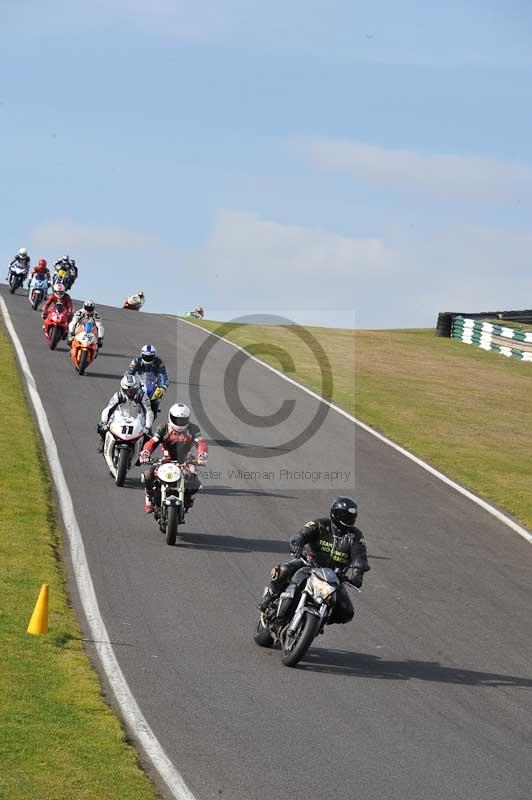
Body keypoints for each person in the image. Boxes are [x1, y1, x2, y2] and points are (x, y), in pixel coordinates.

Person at [258, 497, 370, 625]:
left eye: (351, 516)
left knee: (346, 612)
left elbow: (360, 558)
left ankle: (319, 621)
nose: (348, 519)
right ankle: (270, 596)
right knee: (283, 570)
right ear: (335, 513)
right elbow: (301, 535)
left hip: (333, 577)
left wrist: (357, 576)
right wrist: (297, 543)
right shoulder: (320, 524)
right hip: (308, 564)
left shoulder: (355, 536)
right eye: (345, 515)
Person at [139, 402, 208, 514]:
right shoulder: (163, 428)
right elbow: (152, 442)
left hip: (186, 460)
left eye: (182, 420)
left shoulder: (193, 429)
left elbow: (201, 443)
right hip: (166, 460)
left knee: (195, 482)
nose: (179, 423)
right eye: (176, 419)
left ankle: (189, 499)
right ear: (170, 417)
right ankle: (149, 500)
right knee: (148, 474)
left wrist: (202, 454)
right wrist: (146, 452)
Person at [97, 374, 154, 453]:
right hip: (122, 416)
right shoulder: (118, 395)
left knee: (149, 436)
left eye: (132, 391)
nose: (130, 393)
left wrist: (148, 427)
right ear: (122, 389)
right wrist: (104, 422)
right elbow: (109, 408)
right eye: (127, 391)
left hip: (137, 418)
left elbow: (148, 411)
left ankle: (142, 452)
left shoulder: (142, 396)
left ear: (137, 388)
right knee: (101, 427)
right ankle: (103, 441)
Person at [127, 344, 168, 415]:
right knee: (129, 396)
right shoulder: (136, 361)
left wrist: (163, 388)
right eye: (146, 356)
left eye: (150, 357)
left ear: (154, 356)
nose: (148, 358)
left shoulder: (159, 362)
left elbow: (163, 376)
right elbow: (129, 374)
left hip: (153, 384)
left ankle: (154, 411)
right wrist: (129, 384)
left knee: (157, 398)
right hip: (139, 382)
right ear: (142, 354)